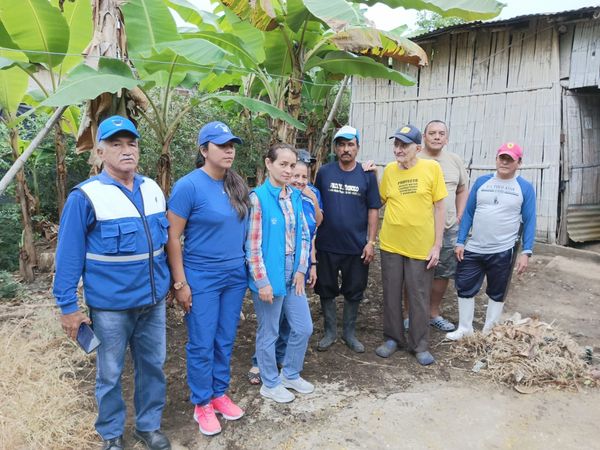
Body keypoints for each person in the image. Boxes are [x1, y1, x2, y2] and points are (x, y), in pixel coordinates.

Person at [53, 116, 171, 450]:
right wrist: (68, 307)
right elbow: (69, 256)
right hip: (111, 307)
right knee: (110, 372)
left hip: (153, 302)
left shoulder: (153, 189)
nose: (126, 150)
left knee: (153, 366)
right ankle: (111, 433)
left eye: (131, 143)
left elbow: (163, 246)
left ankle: (148, 427)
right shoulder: (86, 197)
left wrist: (173, 285)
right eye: (116, 144)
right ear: (100, 152)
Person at [166, 122, 249, 436]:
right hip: (202, 277)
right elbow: (173, 237)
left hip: (234, 276)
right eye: (222, 145)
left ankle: (218, 393)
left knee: (224, 338)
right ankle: (201, 402)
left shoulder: (236, 184)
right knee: (202, 342)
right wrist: (180, 283)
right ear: (204, 150)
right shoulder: (189, 186)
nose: (229, 151)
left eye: (232, 145)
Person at [247, 150, 322, 385]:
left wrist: (301, 269)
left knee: (303, 327)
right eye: (283, 164)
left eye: (291, 165)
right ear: (269, 164)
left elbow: (304, 235)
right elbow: (253, 246)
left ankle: (290, 374)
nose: (288, 171)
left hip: (293, 271)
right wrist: (262, 281)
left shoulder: (295, 197)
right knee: (269, 331)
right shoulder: (258, 198)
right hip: (270, 271)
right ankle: (270, 382)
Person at [446, 142, 536, 340]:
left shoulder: (524, 188)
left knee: (497, 290)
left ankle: (490, 332)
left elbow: (530, 221)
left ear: (519, 163)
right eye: (502, 158)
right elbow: (468, 213)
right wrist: (461, 241)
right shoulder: (482, 182)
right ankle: (464, 328)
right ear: (496, 159)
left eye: (510, 159)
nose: (505, 162)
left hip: (503, 249)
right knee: (465, 285)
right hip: (474, 247)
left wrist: (526, 252)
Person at [375, 124, 447, 366]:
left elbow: (440, 207)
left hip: (420, 246)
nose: (398, 149)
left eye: (404, 145)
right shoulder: (390, 171)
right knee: (391, 293)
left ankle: (419, 344)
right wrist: (370, 175)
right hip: (391, 244)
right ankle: (392, 338)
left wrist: (437, 245)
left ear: (417, 147)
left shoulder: (431, 168)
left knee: (419, 296)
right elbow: (379, 200)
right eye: (396, 144)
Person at [314, 125, 381, 353]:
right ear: (335, 148)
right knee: (326, 288)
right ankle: (330, 332)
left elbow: (373, 209)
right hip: (327, 244)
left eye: (350, 144)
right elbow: (315, 204)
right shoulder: (324, 172)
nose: (346, 149)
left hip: (356, 246)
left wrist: (371, 242)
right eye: (341, 144)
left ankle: (349, 333)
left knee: (355, 289)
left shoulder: (367, 175)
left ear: (357, 147)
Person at [411, 120, 469, 332]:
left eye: (441, 133)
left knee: (443, 272)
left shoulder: (454, 160)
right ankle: (410, 315)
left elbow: (462, 189)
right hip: (419, 228)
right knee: (413, 273)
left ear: (447, 138)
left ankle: (432, 313)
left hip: (448, 227)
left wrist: (460, 214)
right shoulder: (415, 158)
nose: (437, 137)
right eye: (432, 133)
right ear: (424, 137)